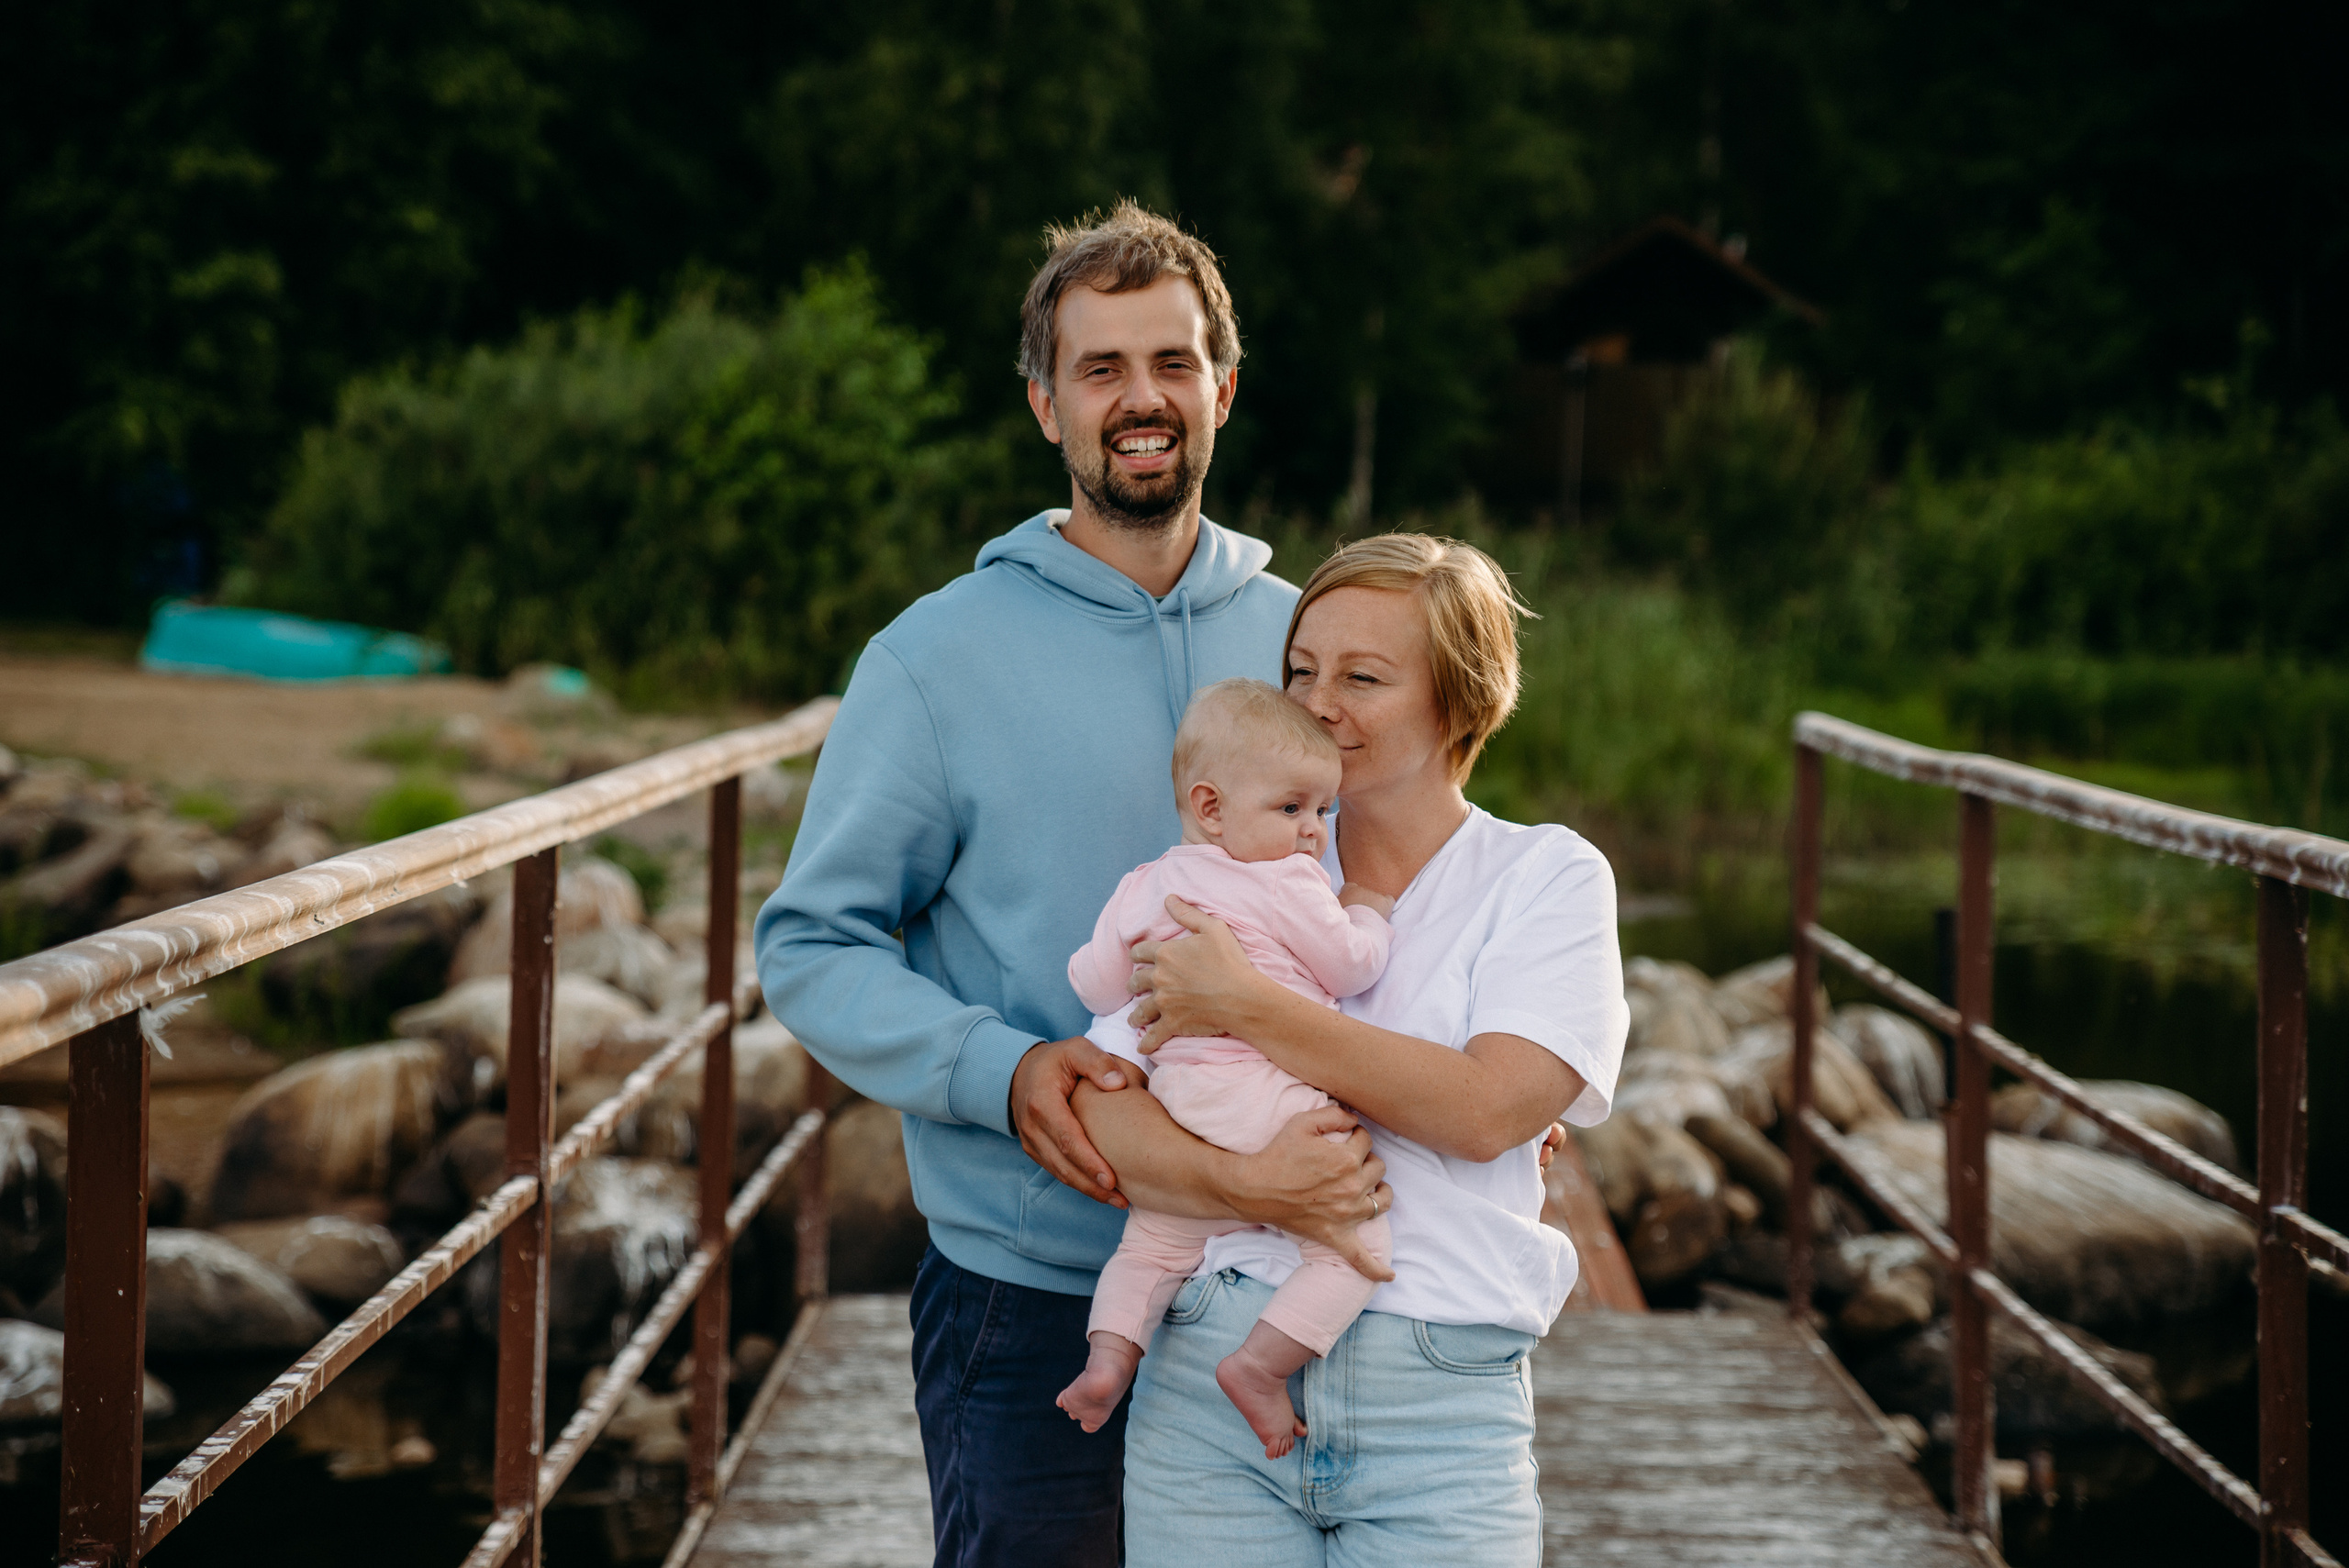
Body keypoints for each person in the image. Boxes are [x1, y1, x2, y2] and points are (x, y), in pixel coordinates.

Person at [754, 202, 1393, 1568]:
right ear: (1046, 403)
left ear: (1222, 386)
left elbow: (1411, 870)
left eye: (1171, 363)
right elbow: (813, 942)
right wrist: (999, 1068)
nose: (1140, 399)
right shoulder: (934, 659)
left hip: (1292, 1285)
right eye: (1101, 368)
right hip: (1034, 1291)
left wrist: (1501, 1053)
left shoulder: (1311, 636)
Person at [1074, 533, 1631, 1567]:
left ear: (1460, 702)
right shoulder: (1226, 862)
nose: (1318, 702)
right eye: (1301, 669)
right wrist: (1256, 1181)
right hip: (1209, 1371)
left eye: (1362, 677)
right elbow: (1104, 1105)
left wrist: (1241, 1004)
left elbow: (1483, 1112)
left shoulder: (1546, 877)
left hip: (1439, 1397)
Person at [1053, 679, 1396, 1457]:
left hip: (1183, 1106)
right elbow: (1348, 965)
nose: (1313, 832)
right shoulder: (1286, 880)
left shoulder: (1143, 885)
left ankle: (1109, 1359)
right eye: (1293, 807)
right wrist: (1368, 908)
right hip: (1268, 1099)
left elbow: (1094, 984)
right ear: (1211, 807)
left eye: (1323, 811)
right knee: (1356, 1242)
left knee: (1151, 1248)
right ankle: (1260, 1367)